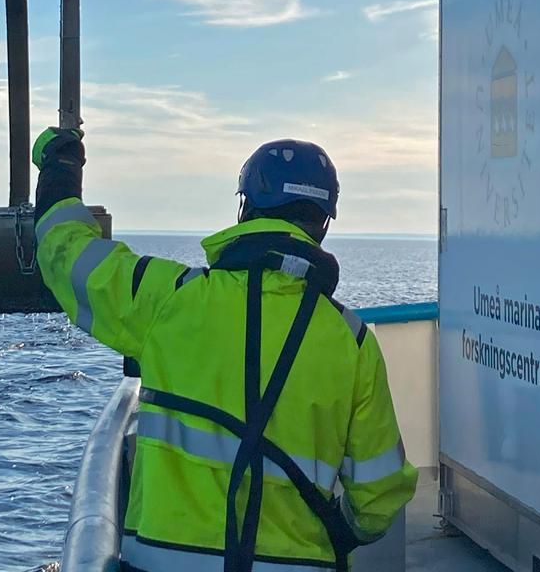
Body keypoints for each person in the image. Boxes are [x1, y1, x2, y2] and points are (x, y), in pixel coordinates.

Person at [29, 128, 417, 572]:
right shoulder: (353, 341)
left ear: (245, 210)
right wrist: (340, 534)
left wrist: (59, 173)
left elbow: (69, 256)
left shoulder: (171, 300)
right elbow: (379, 498)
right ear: (322, 225)